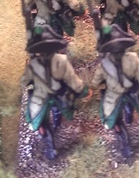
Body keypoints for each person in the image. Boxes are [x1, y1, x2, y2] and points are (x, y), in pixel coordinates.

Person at [89, 24, 139, 158]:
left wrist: (92, 87)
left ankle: (125, 142)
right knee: (116, 116)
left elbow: (95, 82)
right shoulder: (131, 58)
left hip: (116, 95)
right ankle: (127, 127)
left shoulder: (105, 64)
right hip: (128, 93)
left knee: (113, 120)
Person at [21, 25, 89, 160]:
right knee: (53, 113)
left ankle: (50, 146)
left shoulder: (34, 64)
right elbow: (74, 82)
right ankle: (54, 127)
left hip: (42, 97)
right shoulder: (62, 60)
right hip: (58, 95)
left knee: (41, 123)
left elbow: (24, 82)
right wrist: (83, 91)